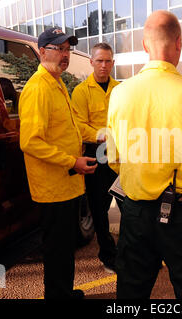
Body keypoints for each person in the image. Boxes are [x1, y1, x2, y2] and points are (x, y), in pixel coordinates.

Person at [106, 10, 182, 299]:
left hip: (135, 211)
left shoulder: (120, 94)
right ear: (179, 43)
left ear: (145, 45)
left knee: (131, 290)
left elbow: (114, 158)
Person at [19, 27, 97, 299]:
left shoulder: (57, 83)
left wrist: (101, 134)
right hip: (53, 188)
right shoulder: (38, 89)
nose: (65, 55)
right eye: (58, 49)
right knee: (57, 248)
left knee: (65, 247)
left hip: (68, 184)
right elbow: (30, 141)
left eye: (67, 49)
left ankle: (63, 291)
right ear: (42, 51)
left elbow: (74, 127)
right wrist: (71, 161)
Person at [71, 42, 120, 273]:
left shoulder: (120, 89)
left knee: (129, 207)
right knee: (100, 211)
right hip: (96, 155)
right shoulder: (81, 92)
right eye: (99, 61)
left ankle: (131, 253)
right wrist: (104, 135)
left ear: (112, 62)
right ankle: (108, 255)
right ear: (91, 62)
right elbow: (79, 126)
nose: (103, 65)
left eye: (107, 61)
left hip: (120, 156)